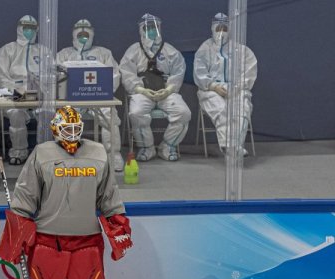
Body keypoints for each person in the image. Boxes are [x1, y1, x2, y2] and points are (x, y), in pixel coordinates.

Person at [0, 106, 133, 279]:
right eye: (66, 129)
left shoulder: (98, 153)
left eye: (76, 129)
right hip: (49, 240)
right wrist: (18, 229)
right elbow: (25, 197)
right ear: (55, 129)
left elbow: (109, 196)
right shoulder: (42, 154)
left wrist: (117, 222)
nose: (72, 134)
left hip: (87, 242)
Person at [119, 13, 191, 162]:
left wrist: (169, 90)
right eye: (148, 27)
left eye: (154, 27)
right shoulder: (133, 51)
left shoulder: (170, 51)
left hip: (167, 92)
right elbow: (127, 74)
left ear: (159, 28)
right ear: (141, 30)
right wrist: (141, 90)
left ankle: (168, 146)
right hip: (142, 92)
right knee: (136, 113)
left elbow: (178, 71)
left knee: (184, 113)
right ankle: (147, 148)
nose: (151, 30)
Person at [57, 19, 124, 171]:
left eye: (86, 33)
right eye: (79, 33)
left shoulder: (104, 53)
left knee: (110, 115)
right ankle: (67, 154)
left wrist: (102, 90)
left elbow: (114, 75)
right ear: (73, 34)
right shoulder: (64, 54)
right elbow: (57, 77)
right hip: (73, 99)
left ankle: (113, 154)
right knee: (66, 116)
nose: (83, 36)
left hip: (99, 98)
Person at [194, 13, 257, 156]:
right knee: (221, 109)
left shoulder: (241, 50)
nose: (221, 32)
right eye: (218, 28)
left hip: (236, 89)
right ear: (212, 29)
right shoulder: (205, 48)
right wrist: (213, 86)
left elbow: (249, 72)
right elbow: (199, 73)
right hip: (210, 89)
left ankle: (235, 145)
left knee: (242, 109)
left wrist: (237, 88)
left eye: (225, 28)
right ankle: (229, 146)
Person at [0, 15, 41, 165]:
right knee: (16, 113)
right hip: (13, 98)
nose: (29, 31)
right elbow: (2, 78)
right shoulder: (7, 50)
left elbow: (52, 76)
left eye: (32, 28)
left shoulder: (43, 51)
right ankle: (18, 152)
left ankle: (45, 152)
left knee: (51, 114)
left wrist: (40, 90)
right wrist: (17, 91)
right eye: (25, 28)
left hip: (39, 98)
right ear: (19, 29)